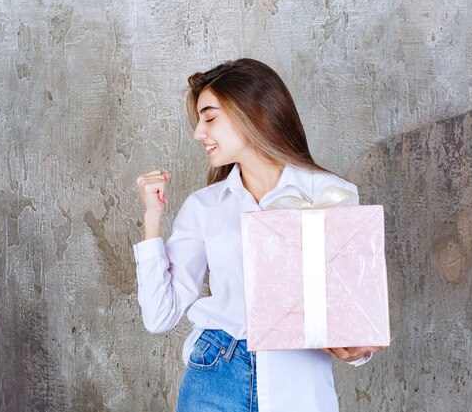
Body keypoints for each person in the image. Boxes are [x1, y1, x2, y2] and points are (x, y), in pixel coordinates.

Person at [134, 58, 388, 412]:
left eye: (209, 117)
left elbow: (349, 312)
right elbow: (159, 317)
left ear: (252, 112)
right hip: (215, 374)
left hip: (298, 380)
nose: (198, 133)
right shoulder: (204, 206)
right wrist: (152, 218)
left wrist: (359, 349)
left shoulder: (332, 194)